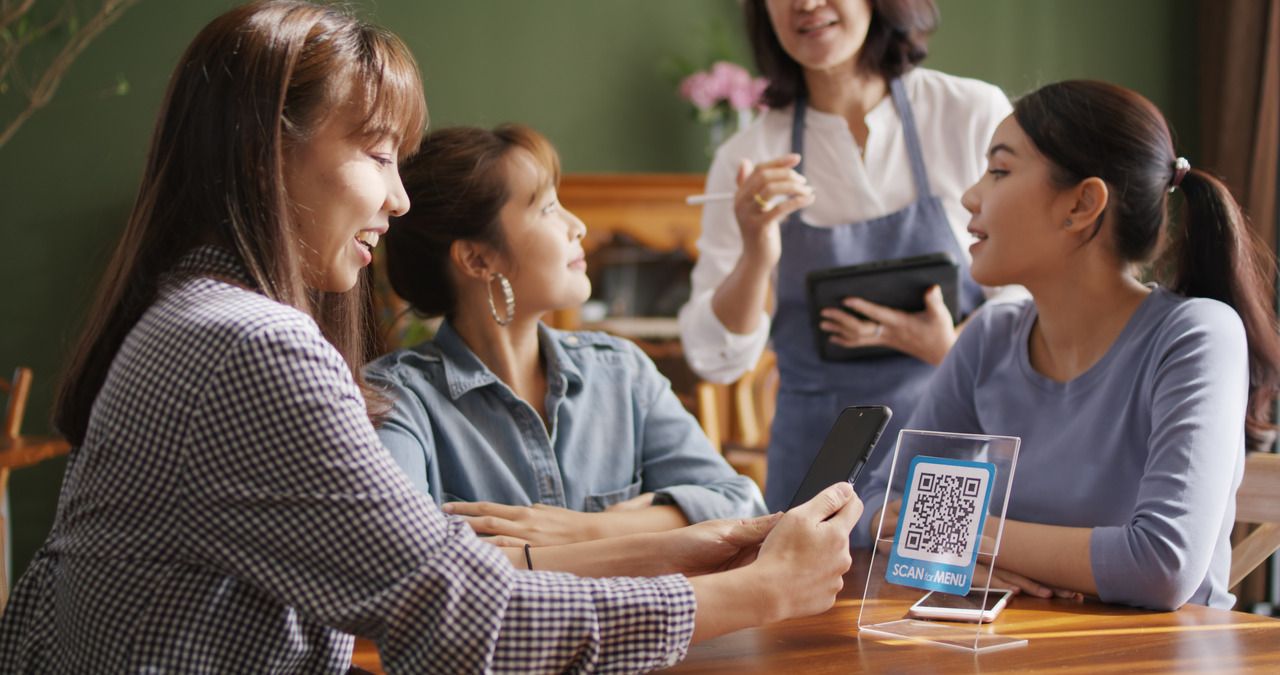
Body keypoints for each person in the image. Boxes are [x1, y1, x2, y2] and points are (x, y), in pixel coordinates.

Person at [0, 3, 864, 671]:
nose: (398, 199)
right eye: (378, 154)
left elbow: (447, 566)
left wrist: (697, 544)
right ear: (267, 152)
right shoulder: (254, 345)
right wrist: (759, 590)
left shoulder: (194, 314)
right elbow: (464, 612)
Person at [855, 80, 1280, 611]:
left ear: (1082, 204)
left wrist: (976, 539)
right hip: (1009, 649)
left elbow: (1163, 564)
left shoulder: (1196, 335)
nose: (970, 196)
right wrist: (980, 548)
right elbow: (872, 505)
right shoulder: (989, 337)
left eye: (1001, 170)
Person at [678, 0, 1017, 511]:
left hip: (955, 455)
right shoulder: (747, 157)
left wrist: (949, 351)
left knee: (940, 587)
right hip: (816, 472)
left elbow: (1027, 298)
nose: (807, 5)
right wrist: (755, 252)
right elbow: (716, 359)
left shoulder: (971, 115)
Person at [365, 124, 766, 547]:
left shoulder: (620, 372)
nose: (577, 227)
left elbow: (741, 505)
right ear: (478, 258)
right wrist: (656, 525)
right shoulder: (394, 400)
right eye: (548, 208)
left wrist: (590, 529)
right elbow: (404, 560)